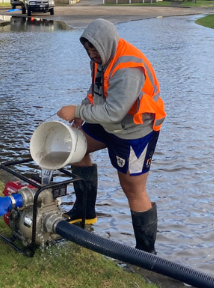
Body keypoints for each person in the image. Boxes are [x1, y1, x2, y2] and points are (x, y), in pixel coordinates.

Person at [57, 18, 166, 254]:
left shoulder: (128, 69)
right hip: (109, 122)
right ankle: (85, 213)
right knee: (76, 147)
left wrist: (76, 111)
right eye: (88, 49)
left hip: (135, 131)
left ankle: (146, 253)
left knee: (133, 189)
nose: (92, 54)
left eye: (94, 48)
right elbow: (96, 89)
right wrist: (83, 110)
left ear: (107, 43)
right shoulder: (103, 58)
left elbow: (114, 111)